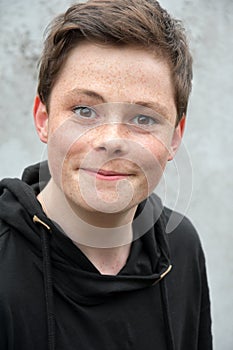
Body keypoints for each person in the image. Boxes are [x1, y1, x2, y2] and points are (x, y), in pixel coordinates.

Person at [0, 0, 212, 349]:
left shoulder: (181, 247)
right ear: (43, 117)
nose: (112, 141)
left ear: (175, 137)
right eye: (84, 110)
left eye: (143, 118)